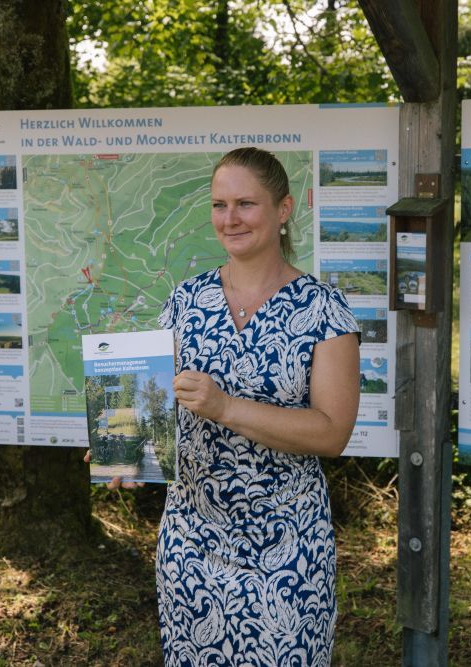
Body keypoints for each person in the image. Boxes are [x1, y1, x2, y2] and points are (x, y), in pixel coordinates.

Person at [155, 146, 361, 666]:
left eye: (245, 204)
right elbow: (155, 405)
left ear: (283, 209)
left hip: (287, 553)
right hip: (190, 545)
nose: (230, 219)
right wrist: (127, 448)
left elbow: (332, 433)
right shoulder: (184, 302)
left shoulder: (324, 310)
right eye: (219, 205)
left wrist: (226, 407)